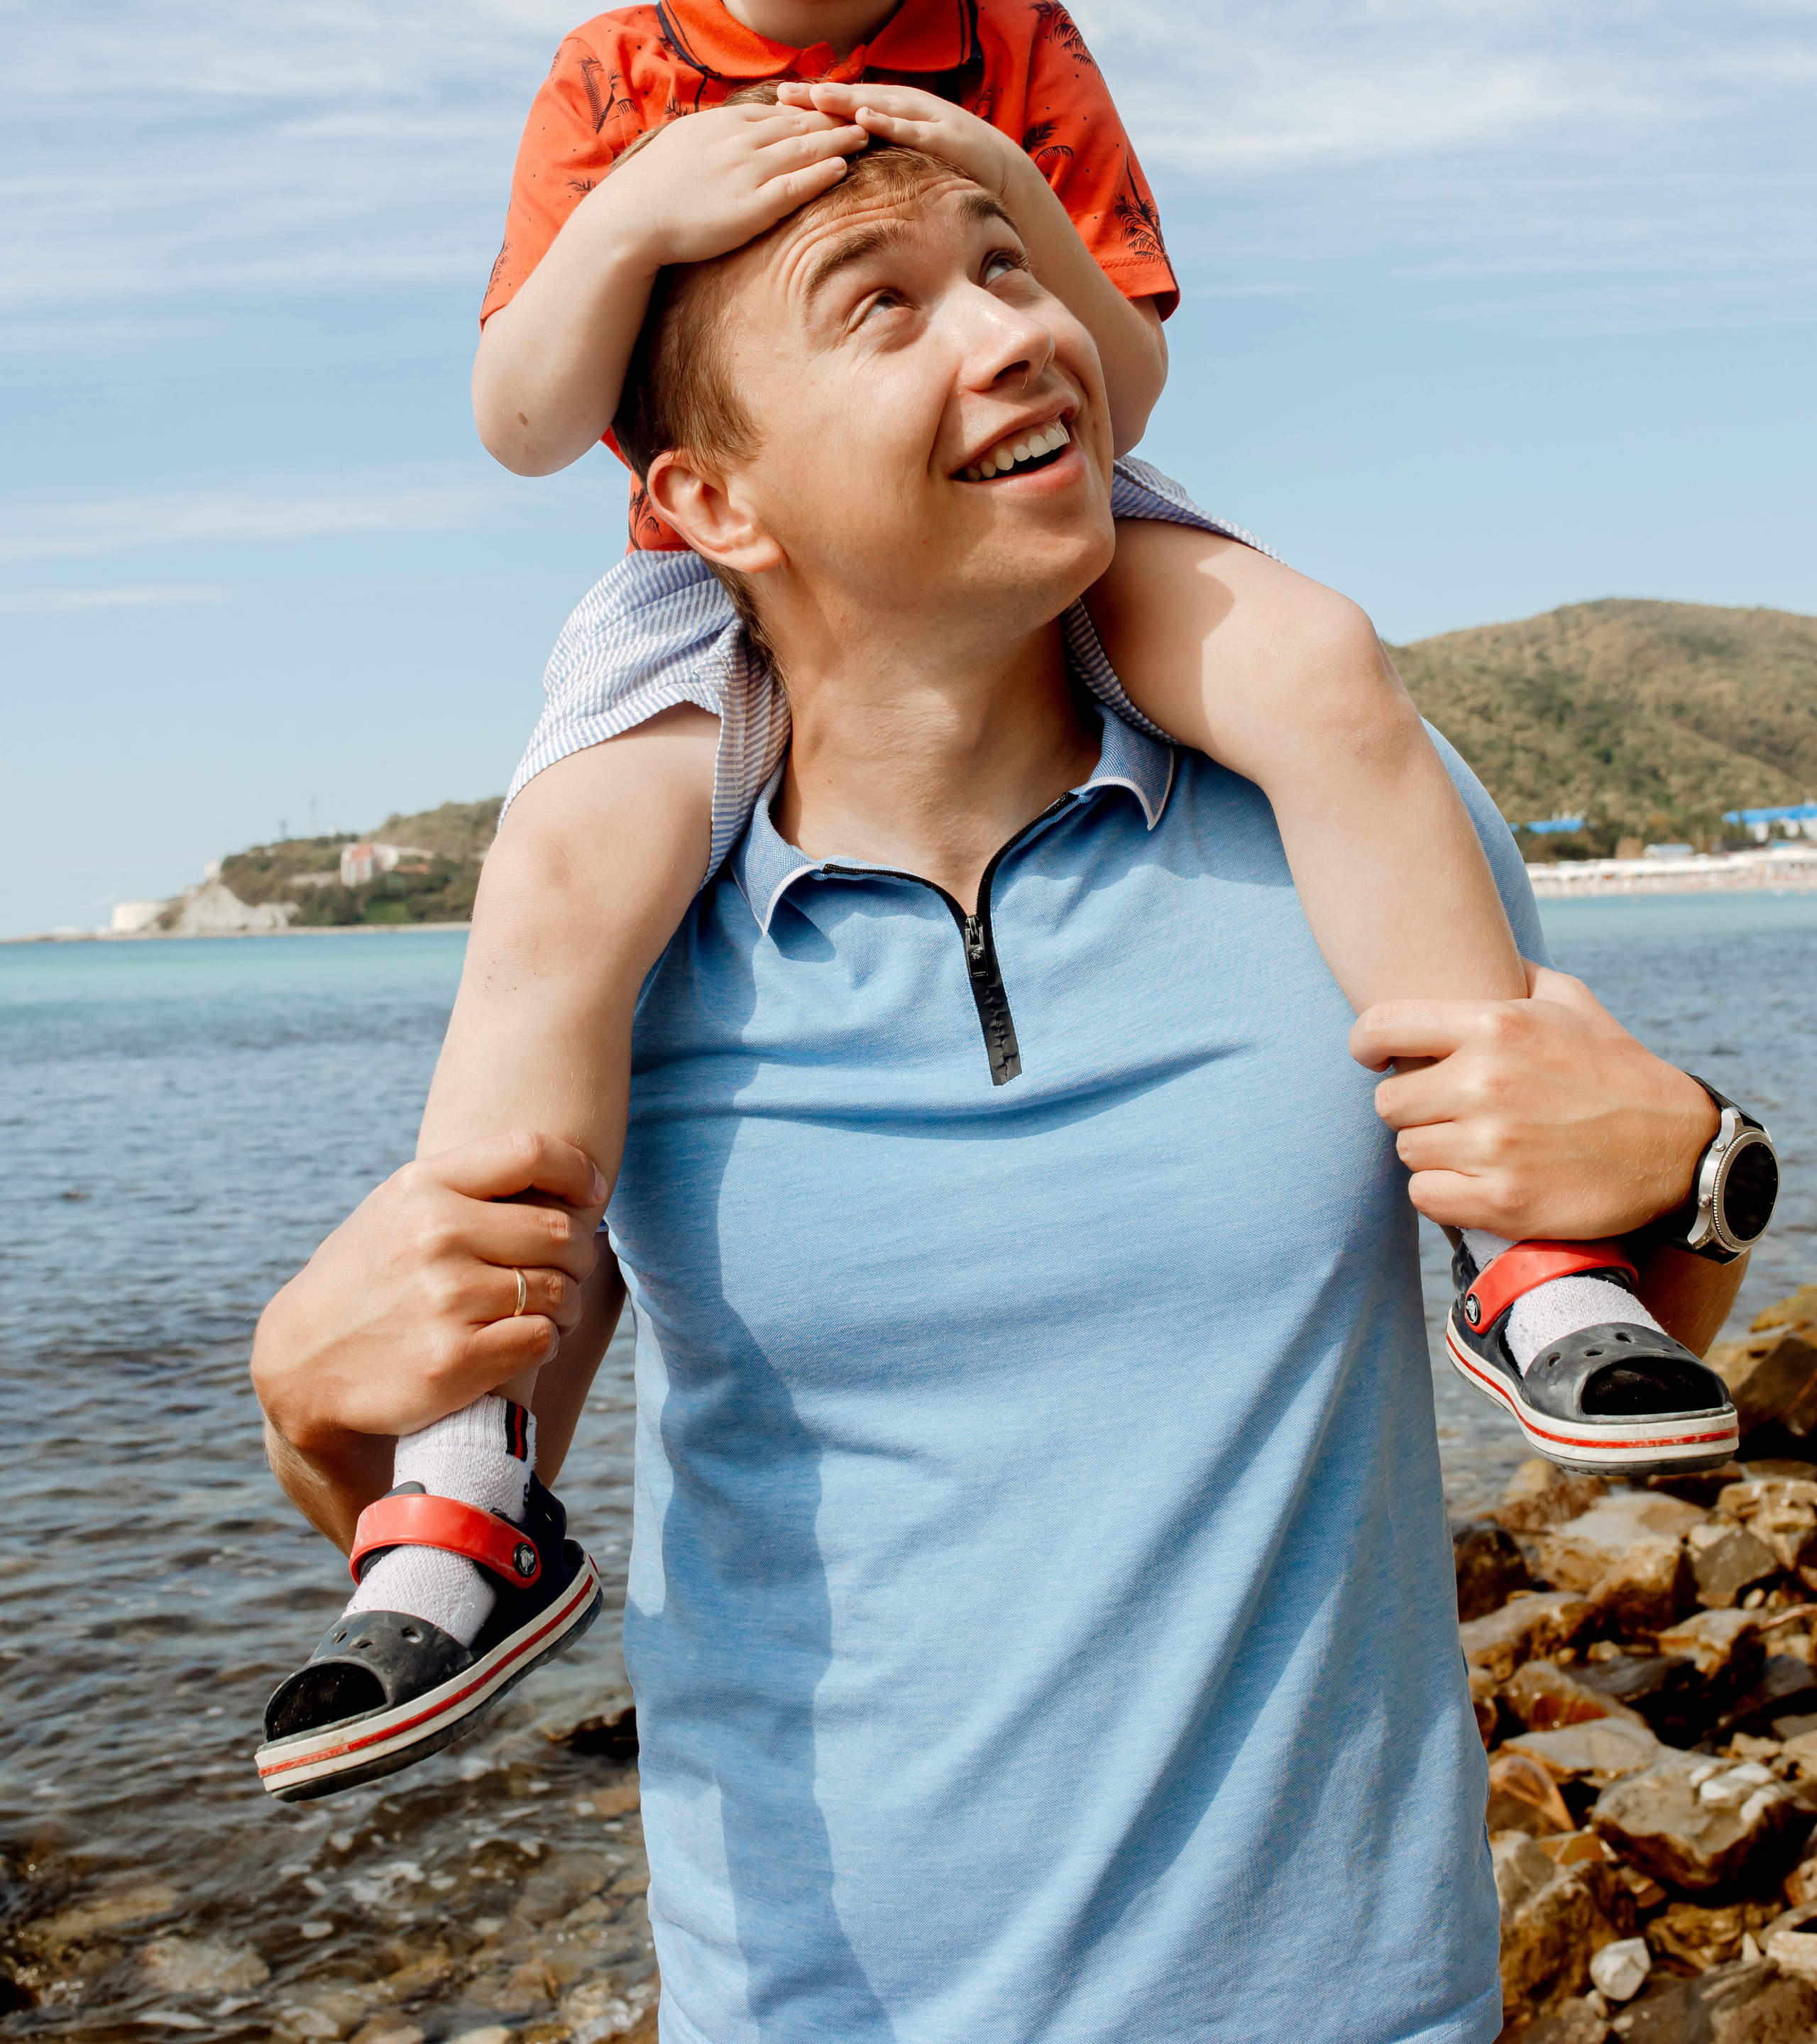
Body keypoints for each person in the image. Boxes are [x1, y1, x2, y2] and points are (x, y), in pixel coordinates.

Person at [256, 0, 1742, 1795]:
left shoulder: (1016, 41)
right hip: (688, 577)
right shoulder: (603, 87)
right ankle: (468, 1478)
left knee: (1325, 660)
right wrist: (642, 218)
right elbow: (526, 418)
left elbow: (1114, 382)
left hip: (1080, 502)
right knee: (566, 869)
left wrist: (991, 194)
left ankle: (1528, 1254)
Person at [252, 138, 1760, 2038]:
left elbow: (1622, 1343)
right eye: (884, 308)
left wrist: (1705, 1169)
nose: (1018, 333)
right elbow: (485, 1467)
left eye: (1009, 265)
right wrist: (312, 1415)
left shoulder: (1348, 807)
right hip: (815, 2009)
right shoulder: (630, 942)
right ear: (708, 500)